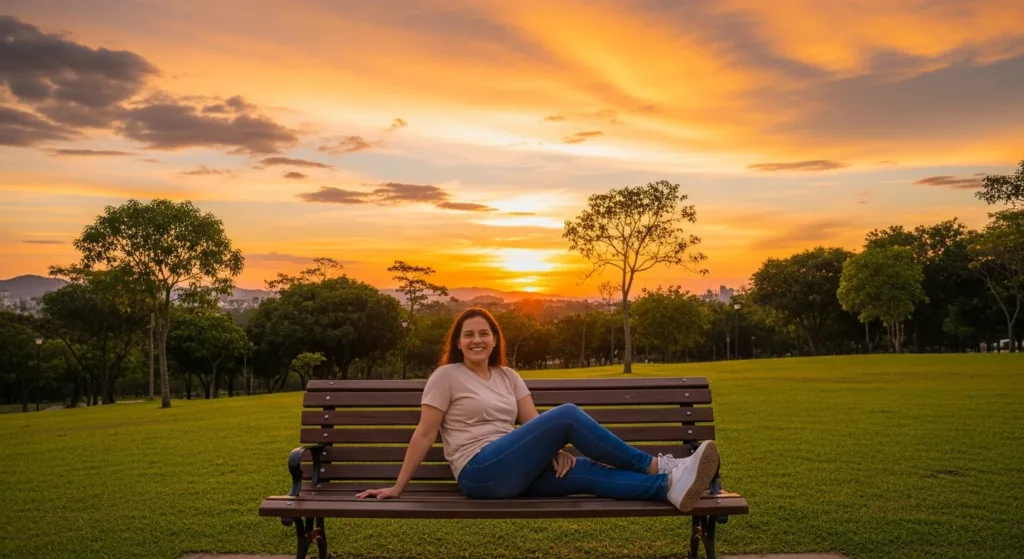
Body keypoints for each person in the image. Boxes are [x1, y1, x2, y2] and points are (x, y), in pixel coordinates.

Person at [356, 307, 720, 512]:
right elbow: (425, 432)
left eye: (484, 333)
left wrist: (555, 453)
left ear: (495, 339)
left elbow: (533, 424)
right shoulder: (446, 376)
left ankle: (668, 486)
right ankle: (657, 464)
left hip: (515, 470)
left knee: (588, 472)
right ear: (458, 342)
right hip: (479, 471)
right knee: (567, 414)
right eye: (468, 334)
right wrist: (398, 487)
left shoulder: (508, 376)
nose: (477, 340)